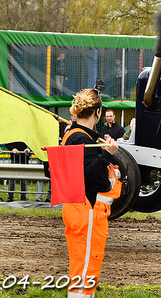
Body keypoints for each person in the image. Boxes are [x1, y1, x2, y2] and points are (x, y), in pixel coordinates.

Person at [61, 88, 121, 297]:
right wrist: (106, 155)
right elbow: (85, 174)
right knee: (85, 270)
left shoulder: (75, 134)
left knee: (84, 267)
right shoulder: (80, 138)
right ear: (97, 113)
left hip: (80, 209)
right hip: (86, 210)